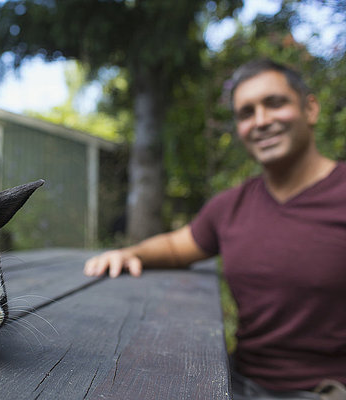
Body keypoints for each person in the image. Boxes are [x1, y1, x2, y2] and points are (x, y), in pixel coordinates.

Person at [84, 59, 346, 400]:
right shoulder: (230, 206)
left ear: (310, 108)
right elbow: (178, 247)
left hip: (326, 389)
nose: (261, 121)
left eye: (275, 103)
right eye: (246, 113)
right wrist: (130, 253)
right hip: (238, 383)